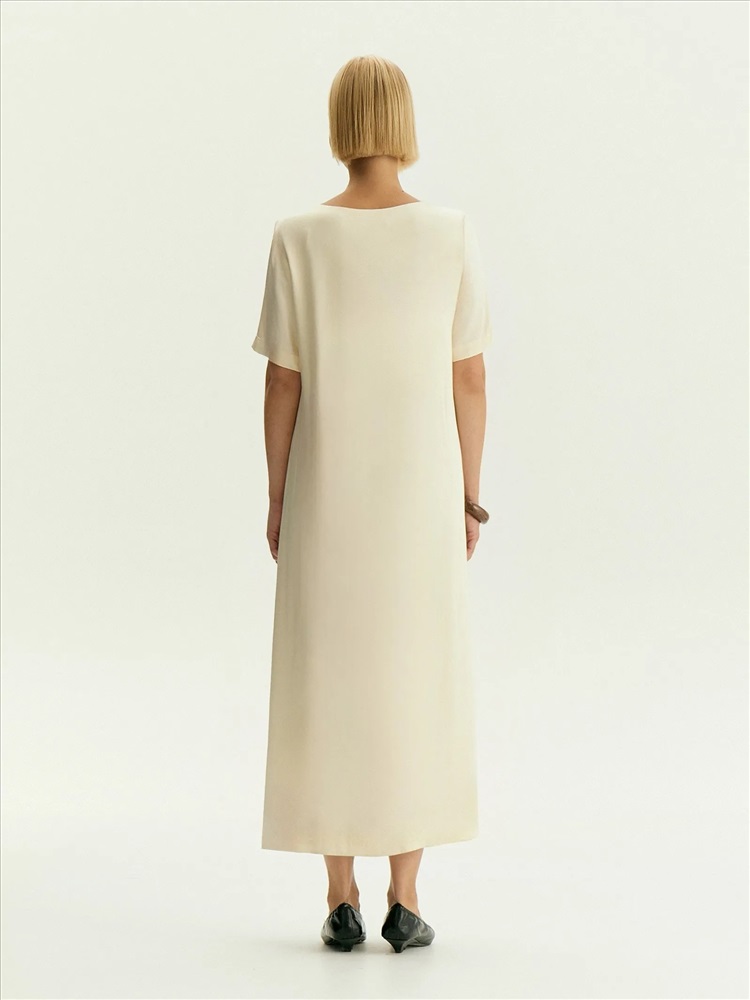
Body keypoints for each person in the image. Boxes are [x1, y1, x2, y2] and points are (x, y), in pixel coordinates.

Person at [252, 54, 492, 952]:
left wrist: (279, 495)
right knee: (413, 678)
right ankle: (407, 894)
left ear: (339, 122)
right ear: (403, 121)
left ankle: (339, 895)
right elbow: (469, 377)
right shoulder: (450, 234)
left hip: (328, 491)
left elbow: (283, 382)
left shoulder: (299, 236)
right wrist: (468, 499)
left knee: (330, 678)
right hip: (420, 497)